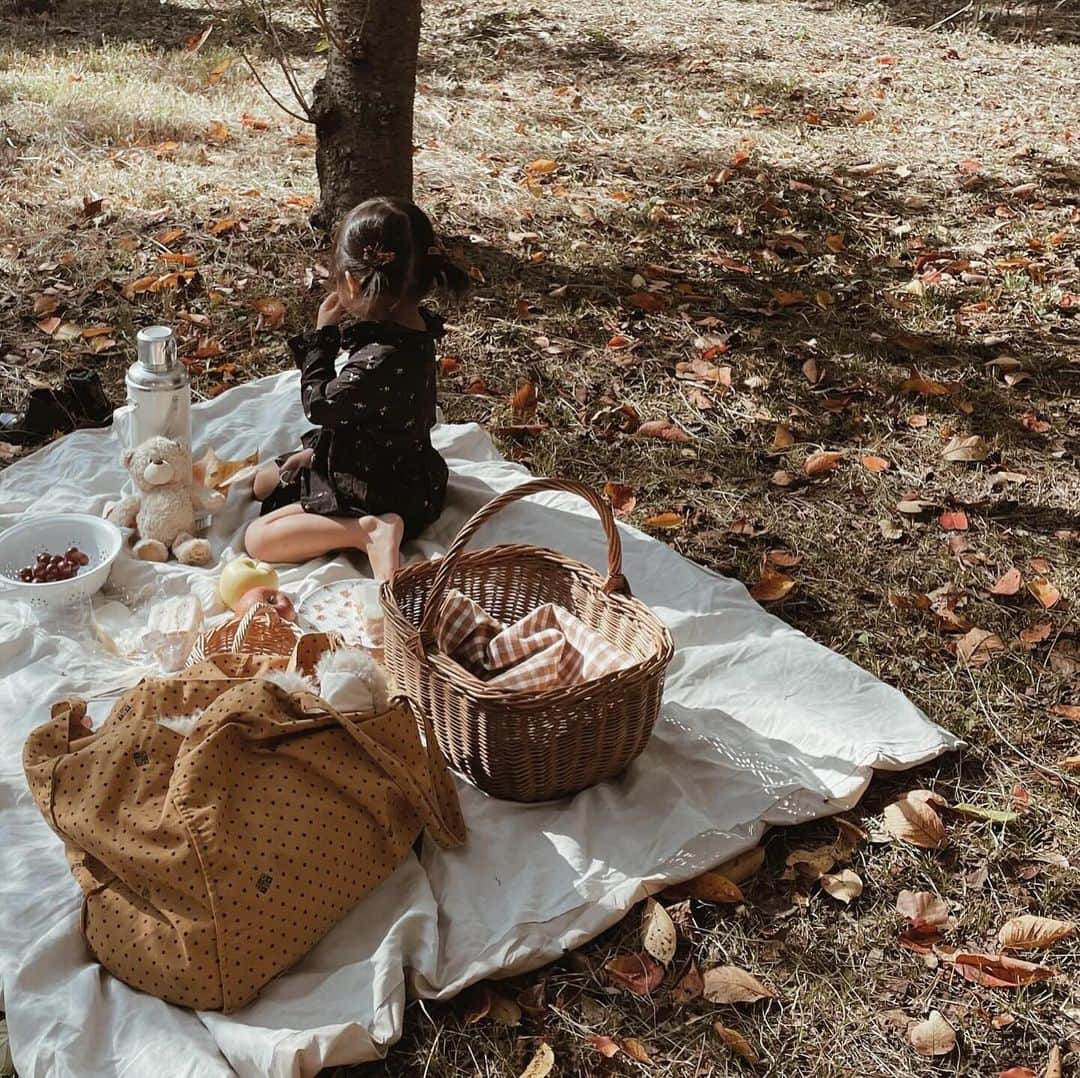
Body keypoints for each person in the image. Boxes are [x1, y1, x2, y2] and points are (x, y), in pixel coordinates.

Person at [245, 197, 467, 580]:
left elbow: (320, 405)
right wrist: (317, 450)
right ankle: (329, 482)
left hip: (377, 488)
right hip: (403, 464)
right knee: (264, 481)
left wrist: (323, 338)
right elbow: (369, 411)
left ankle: (366, 531)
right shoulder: (415, 329)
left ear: (351, 280)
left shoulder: (379, 359)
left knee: (257, 539)